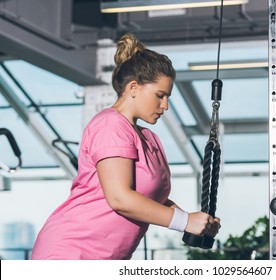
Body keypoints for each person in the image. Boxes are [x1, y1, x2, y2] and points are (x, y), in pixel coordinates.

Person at [31, 33, 221, 260]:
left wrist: (194, 222)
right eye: (160, 96)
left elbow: (153, 202)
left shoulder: (150, 139)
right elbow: (120, 198)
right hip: (70, 253)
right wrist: (184, 221)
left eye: (168, 97)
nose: (166, 106)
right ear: (133, 88)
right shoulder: (110, 125)